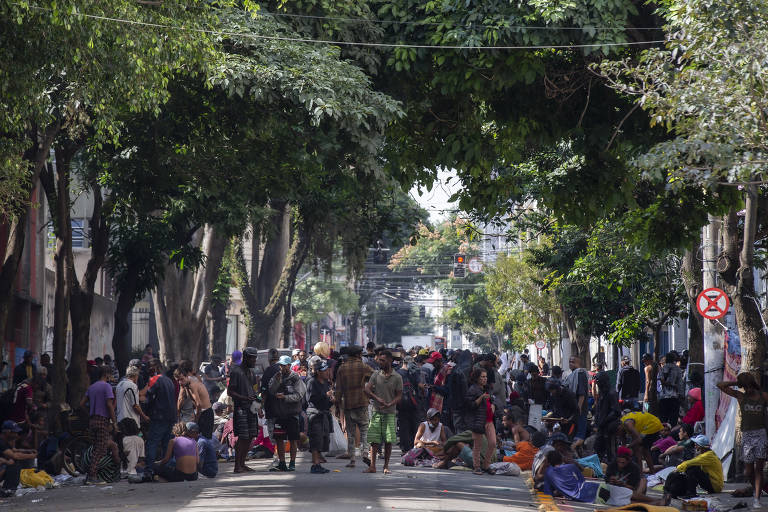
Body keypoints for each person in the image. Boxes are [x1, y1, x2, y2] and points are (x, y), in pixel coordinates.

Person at [717, 373, 768, 508]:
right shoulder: (741, 396)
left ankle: (757, 498)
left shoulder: (763, 397)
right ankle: (757, 489)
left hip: (761, 434)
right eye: (745, 387)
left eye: (749, 387)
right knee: (748, 471)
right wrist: (736, 383)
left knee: (759, 469)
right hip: (747, 436)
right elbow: (720, 385)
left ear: (753, 385)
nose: (748, 390)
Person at [364, 349, 402, 474]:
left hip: (390, 412)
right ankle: (372, 466)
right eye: (379, 360)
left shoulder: (397, 377)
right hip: (376, 411)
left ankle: (386, 466)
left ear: (390, 361)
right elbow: (367, 389)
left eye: (383, 360)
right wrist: (377, 398)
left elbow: (399, 396)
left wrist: (390, 403)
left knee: (389, 441)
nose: (380, 362)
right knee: (374, 441)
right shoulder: (375, 375)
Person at [335, 344, 373, 468]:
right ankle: (366, 453)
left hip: (348, 403)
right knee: (364, 430)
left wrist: (337, 404)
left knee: (350, 433)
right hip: (362, 402)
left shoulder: (342, 368)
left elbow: (338, 389)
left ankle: (352, 459)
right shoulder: (364, 367)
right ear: (358, 355)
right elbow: (375, 378)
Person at [80, 365, 120, 484]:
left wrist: (90, 413)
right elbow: (109, 405)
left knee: (95, 447)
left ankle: (91, 474)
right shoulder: (106, 386)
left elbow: (81, 404)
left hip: (92, 420)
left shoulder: (91, 387)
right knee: (101, 449)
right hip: (103, 420)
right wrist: (114, 422)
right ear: (106, 374)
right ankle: (92, 474)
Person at [269, 355, 306, 472]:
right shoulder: (276, 376)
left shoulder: (295, 378)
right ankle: (282, 462)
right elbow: (271, 390)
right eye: (280, 365)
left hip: (292, 413)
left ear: (289, 365)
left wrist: (285, 397)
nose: (281, 368)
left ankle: (292, 462)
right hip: (279, 413)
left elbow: (299, 395)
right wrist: (277, 381)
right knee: (279, 439)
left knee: (293, 439)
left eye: (284, 365)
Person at [662, 435, 722, 503]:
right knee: (692, 468)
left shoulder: (708, 455)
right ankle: (689, 492)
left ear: (700, 446)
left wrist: (677, 469)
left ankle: (691, 493)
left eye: (696, 445)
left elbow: (689, 463)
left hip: (715, 486)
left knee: (692, 468)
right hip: (714, 485)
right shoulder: (708, 454)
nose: (695, 446)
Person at [143, 359, 177, 480]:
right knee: (166, 444)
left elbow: (148, 399)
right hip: (171, 417)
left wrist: (145, 413)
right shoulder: (169, 380)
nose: (148, 370)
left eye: (150, 367)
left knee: (152, 443)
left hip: (159, 417)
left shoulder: (154, 380)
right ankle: (166, 470)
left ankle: (149, 470)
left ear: (155, 367)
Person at [228, 347, 259, 474]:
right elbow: (230, 391)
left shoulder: (251, 373)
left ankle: (243, 464)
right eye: (252, 358)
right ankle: (237, 466)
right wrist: (244, 397)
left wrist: (258, 403)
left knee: (250, 436)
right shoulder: (236, 371)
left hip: (251, 408)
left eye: (255, 358)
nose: (254, 360)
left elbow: (254, 389)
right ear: (245, 358)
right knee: (242, 437)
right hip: (241, 408)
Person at [465, 367, 497, 475]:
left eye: (486, 377)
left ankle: (486, 465)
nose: (485, 379)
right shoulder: (473, 390)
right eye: (482, 377)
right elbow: (470, 405)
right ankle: (477, 467)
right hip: (478, 421)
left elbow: (492, 401)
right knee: (477, 445)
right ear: (477, 378)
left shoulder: (487, 389)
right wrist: (481, 397)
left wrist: (493, 406)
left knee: (492, 443)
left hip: (489, 420)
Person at [306, 359, 333, 474]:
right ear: (318, 372)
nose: (327, 372)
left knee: (322, 439)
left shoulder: (326, 383)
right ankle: (315, 464)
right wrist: (325, 395)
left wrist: (332, 400)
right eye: (324, 370)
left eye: (327, 370)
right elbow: (312, 399)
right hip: (315, 414)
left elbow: (327, 401)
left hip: (324, 413)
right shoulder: (312, 382)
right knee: (316, 439)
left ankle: (317, 462)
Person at [395, 354, 425, 453]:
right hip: (414, 403)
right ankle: (414, 447)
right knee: (414, 425)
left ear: (403, 362)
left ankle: (405, 448)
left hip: (401, 403)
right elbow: (420, 386)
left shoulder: (397, 373)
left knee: (403, 426)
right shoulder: (414, 372)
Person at [178, 360, 214, 439]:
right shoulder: (196, 378)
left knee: (197, 439)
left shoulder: (189, 382)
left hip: (200, 413)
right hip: (206, 411)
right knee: (204, 440)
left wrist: (196, 419)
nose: (179, 382)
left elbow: (182, 399)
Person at [0, 420, 37, 496]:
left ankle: (7, 489)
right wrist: (31, 456)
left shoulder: (5, 441)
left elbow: (14, 450)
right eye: (14, 432)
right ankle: (8, 489)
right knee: (13, 464)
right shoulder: (1, 442)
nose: (16, 434)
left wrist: (28, 451)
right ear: (7, 432)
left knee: (11, 462)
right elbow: (15, 455)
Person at [594, 371, 620, 461]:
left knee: (610, 449)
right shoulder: (602, 393)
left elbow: (616, 411)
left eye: (599, 382)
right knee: (598, 447)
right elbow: (599, 408)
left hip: (609, 426)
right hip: (602, 426)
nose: (598, 385)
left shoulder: (611, 393)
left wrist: (604, 420)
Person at [563, 355, 589, 449]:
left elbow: (581, 394)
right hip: (574, 408)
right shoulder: (572, 374)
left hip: (580, 408)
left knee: (579, 434)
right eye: (570, 361)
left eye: (573, 362)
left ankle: (573, 448)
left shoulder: (580, 373)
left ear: (579, 363)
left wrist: (578, 409)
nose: (570, 363)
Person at [658, 352, 682, 426]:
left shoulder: (662, 368)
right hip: (674, 396)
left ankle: (663, 434)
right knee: (673, 419)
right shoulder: (678, 369)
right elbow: (680, 383)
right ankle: (671, 433)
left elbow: (661, 381)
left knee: (663, 418)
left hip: (663, 396)